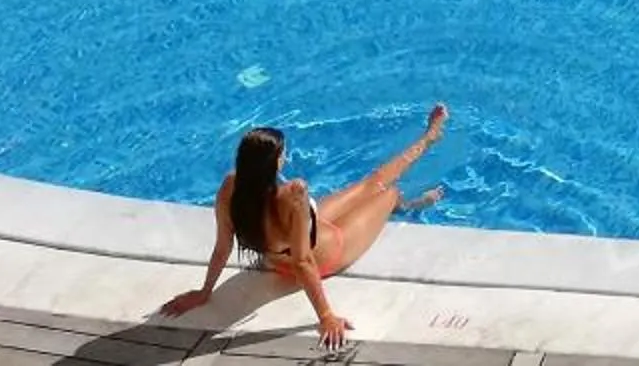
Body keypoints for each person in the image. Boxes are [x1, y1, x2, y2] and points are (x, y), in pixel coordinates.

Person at [163, 106, 449, 347]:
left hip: (295, 245)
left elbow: (222, 247)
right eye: (282, 154)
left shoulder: (230, 187)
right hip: (331, 250)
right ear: (275, 162)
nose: (285, 158)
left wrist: (205, 292)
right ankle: (412, 197)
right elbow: (303, 261)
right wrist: (326, 316)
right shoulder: (293, 194)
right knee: (385, 190)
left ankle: (428, 138)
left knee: (369, 183)